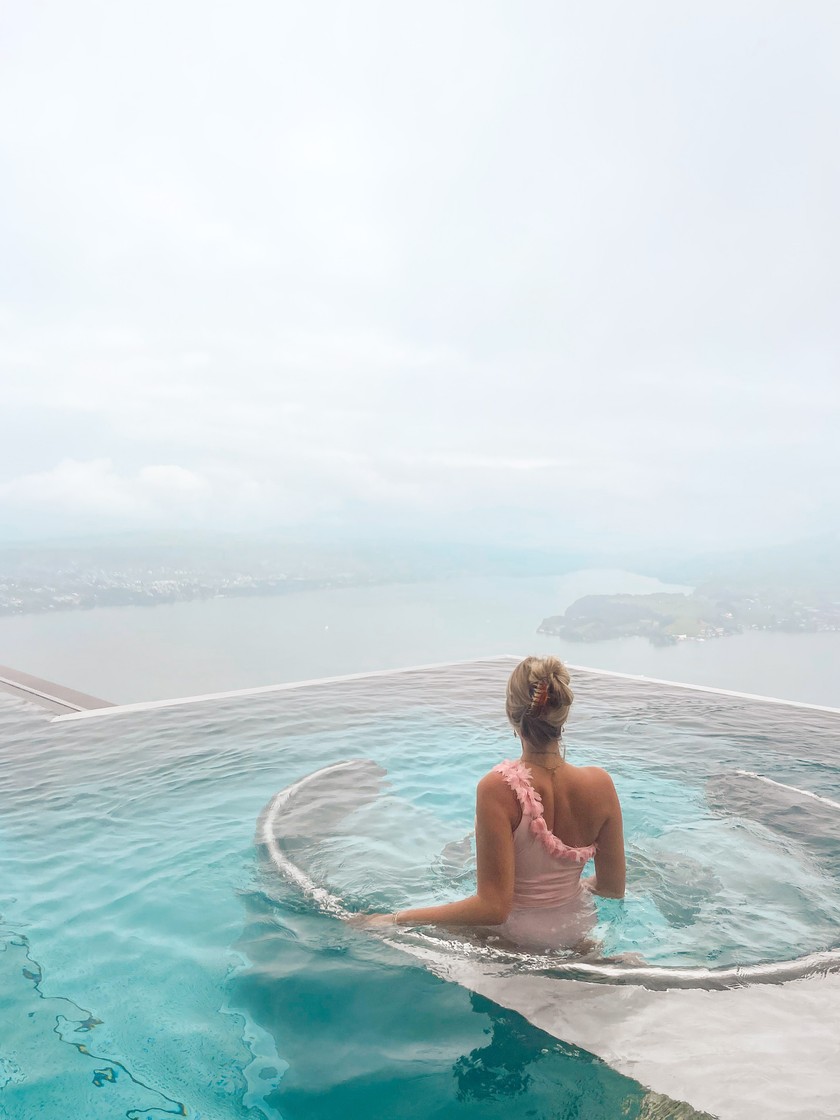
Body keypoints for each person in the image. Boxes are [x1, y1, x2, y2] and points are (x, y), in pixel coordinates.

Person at [359, 655, 625, 951]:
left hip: (516, 939)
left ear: (513, 717)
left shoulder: (497, 788)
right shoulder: (601, 784)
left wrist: (395, 919)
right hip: (578, 928)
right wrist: (560, 894)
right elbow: (612, 889)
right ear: (562, 715)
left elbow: (492, 908)